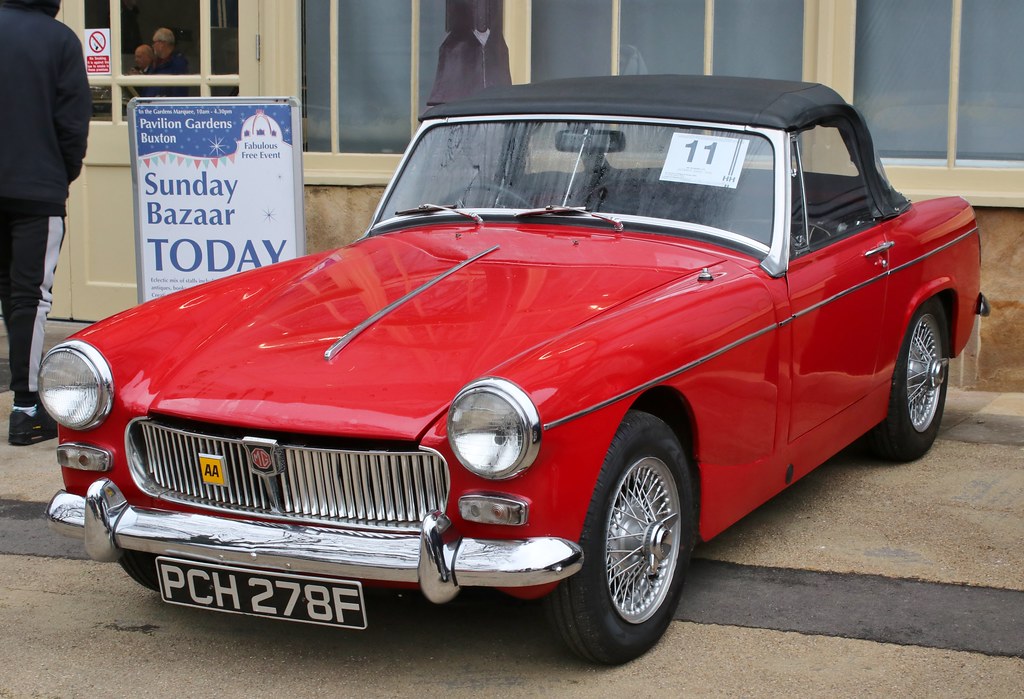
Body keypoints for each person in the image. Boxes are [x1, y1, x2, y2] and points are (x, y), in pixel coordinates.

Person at [0, 0, 91, 445]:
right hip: (36, 188)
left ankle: (25, 402)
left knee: (12, 294)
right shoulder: (59, 39)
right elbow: (73, 122)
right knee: (30, 297)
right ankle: (27, 406)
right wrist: (62, 174)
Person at [149, 27, 189, 96]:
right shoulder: (155, 63)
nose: (153, 46)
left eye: (154, 42)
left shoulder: (178, 65)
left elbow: (179, 93)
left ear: (162, 44)